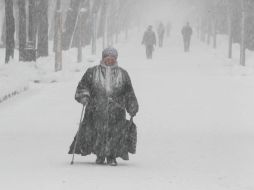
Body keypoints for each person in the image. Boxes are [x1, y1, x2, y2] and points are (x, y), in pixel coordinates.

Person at [69, 47, 139, 166]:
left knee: (114, 133)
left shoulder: (123, 74)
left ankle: (111, 156)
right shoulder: (92, 72)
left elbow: (128, 92)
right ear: (103, 58)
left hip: (117, 109)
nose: (109, 60)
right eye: (107, 58)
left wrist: (132, 106)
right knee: (97, 131)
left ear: (116, 59)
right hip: (96, 109)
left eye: (112, 58)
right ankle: (100, 155)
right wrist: (84, 96)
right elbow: (83, 86)